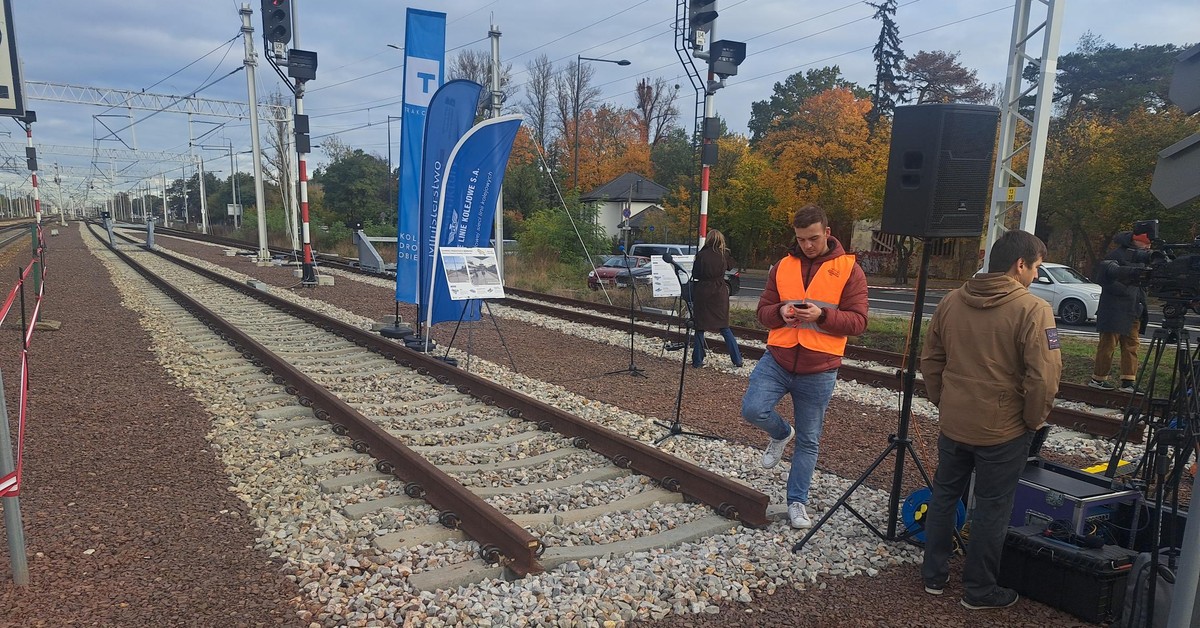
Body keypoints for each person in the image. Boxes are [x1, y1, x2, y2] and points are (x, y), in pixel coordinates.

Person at [919, 229, 1062, 611]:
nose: (1035, 274)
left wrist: (943, 401)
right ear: (1020, 265)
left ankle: (933, 575)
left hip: (954, 421)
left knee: (945, 494)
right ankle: (979, 590)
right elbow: (1043, 378)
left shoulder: (951, 300)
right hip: (1003, 429)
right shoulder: (1033, 310)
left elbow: (931, 358)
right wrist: (1032, 422)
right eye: (1036, 267)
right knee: (992, 508)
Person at [740, 204, 868, 530]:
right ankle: (781, 433)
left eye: (813, 238)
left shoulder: (849, 269)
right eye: (801, 239)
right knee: (753, 409)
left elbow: (858, 321)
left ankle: (797, 502)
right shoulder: (782, 266)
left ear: (827, 232)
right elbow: (763, 311)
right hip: (779, 357)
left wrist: (822, 316)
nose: (807, 245)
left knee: (810, 440)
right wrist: (780, 312)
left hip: (820, 367)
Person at [1089, 231, 1150, 393]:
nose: (1148, 246)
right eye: (1145, 243)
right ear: (1136, 241)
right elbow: (1104, 278)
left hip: (1133, 308)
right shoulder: (1116, 254)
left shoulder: (1140, 256)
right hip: (1115, 308)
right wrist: (1126, 290)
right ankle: (1098, 378)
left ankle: (1128, 380)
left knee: (1132, 345)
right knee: (1108, 345)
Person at [691, 229, 743, 369]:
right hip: (719, 292)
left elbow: (695, 273)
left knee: (700, 327)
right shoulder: (723, 255)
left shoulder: (701, 255)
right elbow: (731, 265)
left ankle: (697, 360)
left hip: (703, 292)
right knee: (724, 326)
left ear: (708, 239)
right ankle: (737, 359)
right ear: (721, 240)